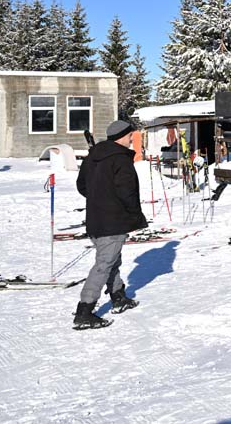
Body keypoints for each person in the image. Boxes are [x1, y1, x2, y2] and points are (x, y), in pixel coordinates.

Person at [72, 120, 148, 330]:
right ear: (122, 136)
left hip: (95, 219)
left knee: (112, 260)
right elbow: (128, 193)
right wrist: (135, 215)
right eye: (130, 136)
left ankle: (118, 297)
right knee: (104, 264)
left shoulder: (93, 157)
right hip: (113, 221)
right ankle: (84, 311)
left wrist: (99, 198)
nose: (131, 140)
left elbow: (82, 186)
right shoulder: (120, 159)